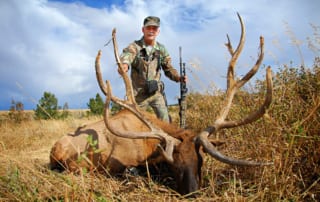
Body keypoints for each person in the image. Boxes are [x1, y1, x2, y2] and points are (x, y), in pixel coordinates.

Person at [120, 16, 187, 122]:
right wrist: (125, 65)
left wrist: (178, 78)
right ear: (143, 30)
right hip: (138, 96)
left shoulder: (161, 49)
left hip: (156, 93)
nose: (151, 31)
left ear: (158, 31)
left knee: (165, 123)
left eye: (154, 28)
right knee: (133, 123)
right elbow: (127, 55)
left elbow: (168, 69)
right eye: (148, 28)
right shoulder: (135, 46)